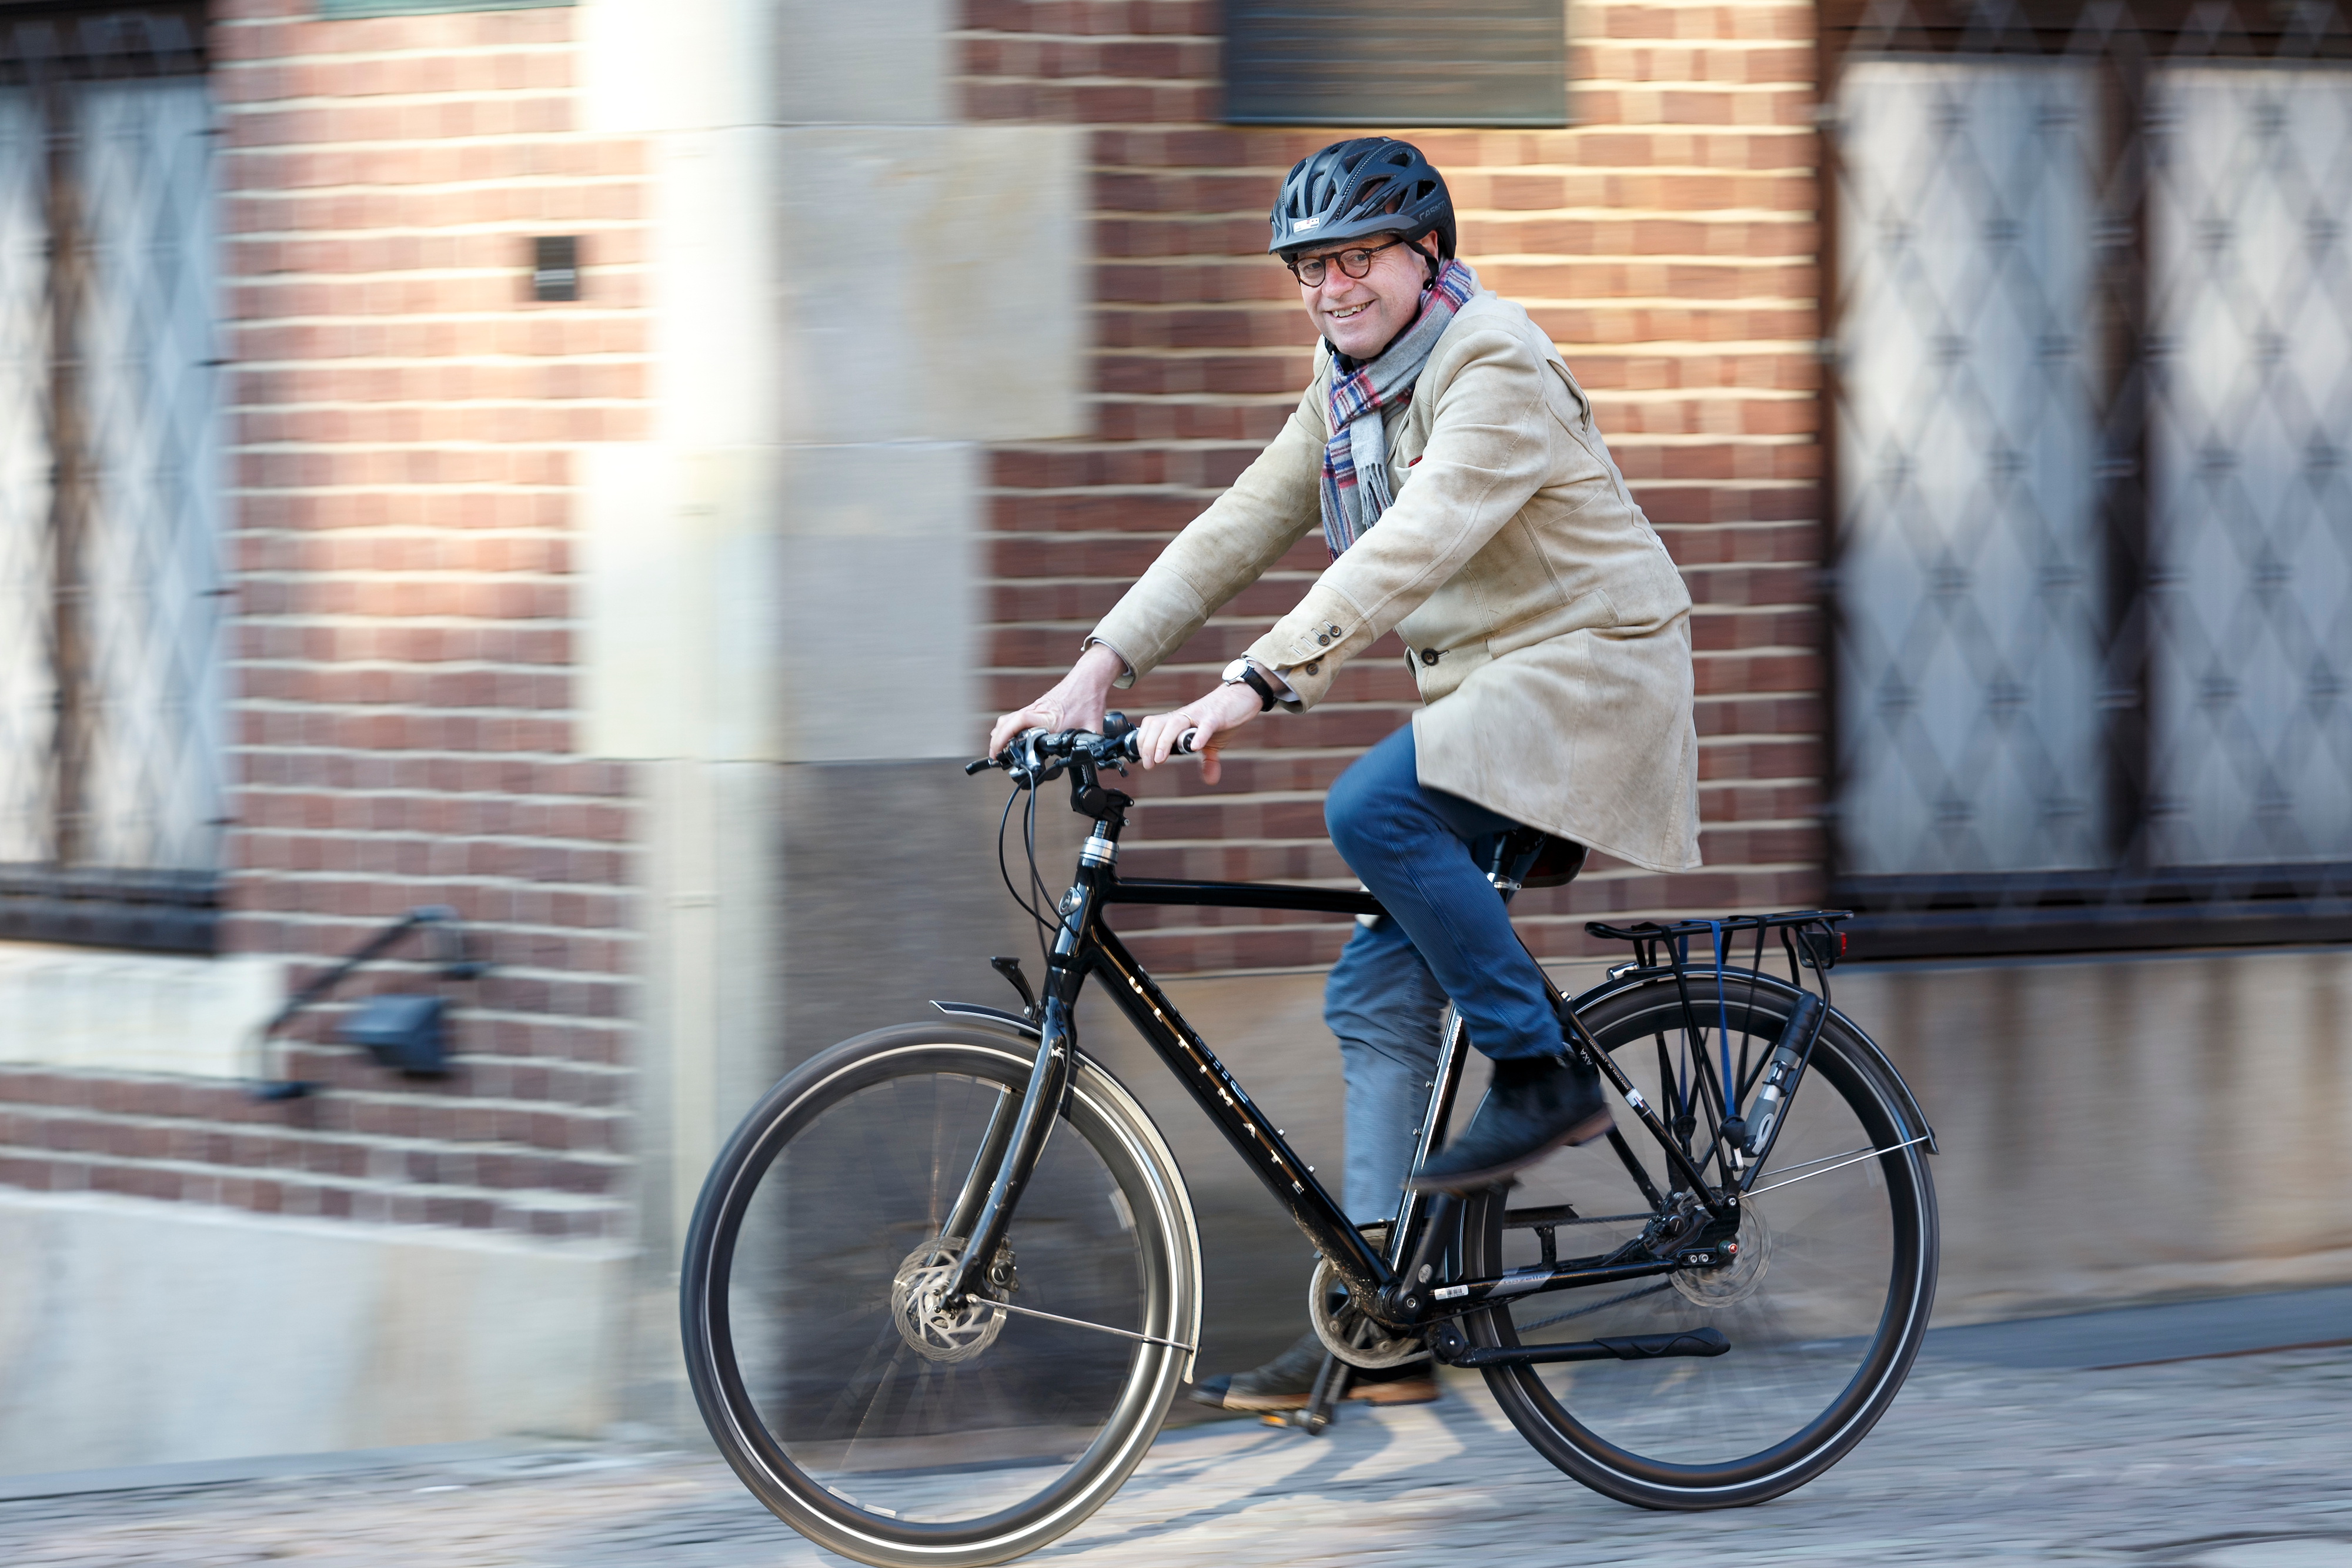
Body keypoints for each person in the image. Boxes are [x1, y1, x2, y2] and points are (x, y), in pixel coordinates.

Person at [987, 137, 1700, 1412]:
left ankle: (1544, 1075)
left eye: (1356, 259)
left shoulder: (1494, 364)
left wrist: (1249, 684)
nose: (1330, 289)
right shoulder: (1345, 390)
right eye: (1309, 268)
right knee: (1375, 995)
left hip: (1591, 678)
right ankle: (1383, 1322)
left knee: (1370, 804)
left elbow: (1408, 550)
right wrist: (1096, 667)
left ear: (1424, 257)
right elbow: (1235, 526)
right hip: (1497, 700)